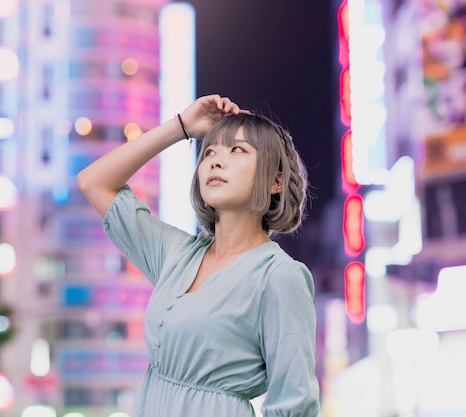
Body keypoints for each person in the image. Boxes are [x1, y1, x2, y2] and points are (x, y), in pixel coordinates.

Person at [77, 94, 320, 417]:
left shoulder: (279, 276)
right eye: (209, 152)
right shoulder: (176, 254)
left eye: (237, 150)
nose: (216, 161)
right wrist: (181, 127)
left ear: (276, 180)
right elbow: (94, 182)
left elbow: (295, 406)